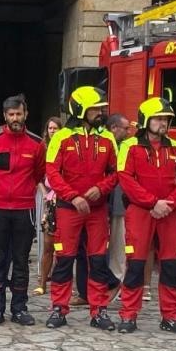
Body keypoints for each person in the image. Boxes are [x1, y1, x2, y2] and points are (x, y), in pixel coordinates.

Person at [114, 98, 176, 335]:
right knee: (136, 263)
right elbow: (125, 178)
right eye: (159, 119)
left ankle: (171, 316)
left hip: (168, 211)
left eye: (166, 119)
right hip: (141, 211)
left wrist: (170, 204)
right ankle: (129, 314)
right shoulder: (130, 146)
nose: (163, 123)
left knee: (170, 265)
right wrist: (152, 203)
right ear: (147, 120)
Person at [45, 86, 119, 331]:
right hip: (69, 208)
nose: (100, 112)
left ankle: (99, 310)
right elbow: (52, 172)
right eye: (95, 109)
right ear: (80, 110)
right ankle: (59, 308)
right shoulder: (61, 137)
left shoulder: (107, 138)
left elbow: (116, 172)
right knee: (64, 259)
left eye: (100, 108)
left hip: (97, 210)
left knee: (97, 260)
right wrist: (73, 197)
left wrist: (102, 188)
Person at [0, 94, 46, 326]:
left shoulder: (36, 143)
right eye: (11, 114)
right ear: (4, 115)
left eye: (19, 113)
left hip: (24, 208)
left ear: (26, 114)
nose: (15, 118)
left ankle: (19, 307)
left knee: (21, 260)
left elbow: (39, 173)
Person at [34, 117, 63, 296]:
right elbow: (37, 174)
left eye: (55, 128)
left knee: (63, 247)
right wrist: (45, 193)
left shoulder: (66, 146)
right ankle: (43, 281)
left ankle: (60, 281)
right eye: (50, 128)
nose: (52, 131)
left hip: (65, 198)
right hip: (49, 198)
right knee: (48, 243)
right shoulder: (43, 148)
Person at [106, 113, 132, 285]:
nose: (129, 132)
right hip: (104, 200)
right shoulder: (105, 143)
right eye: (126, 128)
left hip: (118, 203)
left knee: (119, 244)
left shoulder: (126, 146)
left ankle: (118, 279)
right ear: (114, 128)